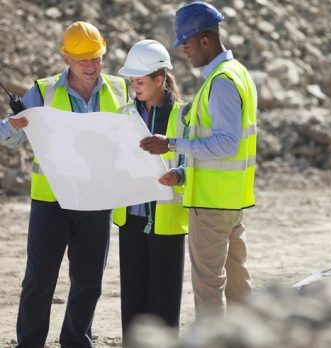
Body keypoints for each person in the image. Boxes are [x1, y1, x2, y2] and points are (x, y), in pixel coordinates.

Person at [0, 21, 128, 347]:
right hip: (51, 202)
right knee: (39, 279)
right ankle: (30, 343)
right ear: (66, 58)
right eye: (83, 59)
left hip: (96, 200)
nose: (91, 66)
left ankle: (75, 341)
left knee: (88, 282)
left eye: (96, 58)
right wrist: (14, 125)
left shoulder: (120, 89)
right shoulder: (44, 91)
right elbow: (9, 138)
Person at [140, 1, 258, 318]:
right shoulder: (238, 74)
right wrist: (182, 173)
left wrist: (172, 144)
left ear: (205, 41)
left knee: (208, 290)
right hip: (231, 201)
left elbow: (226, 144)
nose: (184, 52)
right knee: (238, 285)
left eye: (187, 44)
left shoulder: (220, 82)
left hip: (211, 205)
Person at [112, 40, 188, 338]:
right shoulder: (124, 113)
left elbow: (191, 162)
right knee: (132, 298)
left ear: (160, 80)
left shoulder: (182, 116)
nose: (134, 87)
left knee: (164, 301)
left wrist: (179, 175)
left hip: (167, 222)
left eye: (139, 81)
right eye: (132, 81)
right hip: (131, 218)